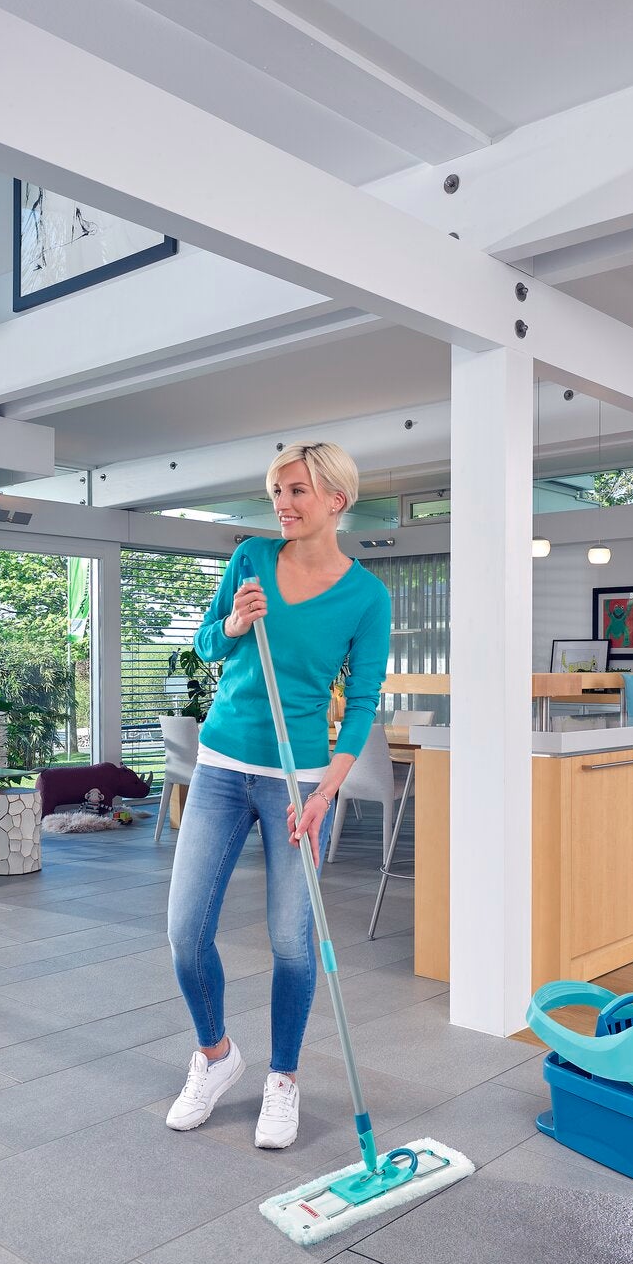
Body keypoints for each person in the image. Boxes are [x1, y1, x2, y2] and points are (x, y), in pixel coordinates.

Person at [162, 442, 391, 1149]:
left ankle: (282, 1079)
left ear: (335, 500)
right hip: (223, 766)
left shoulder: (367, 597)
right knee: (185, 933)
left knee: (294, 943)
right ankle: (214, 1055)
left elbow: (361, 703)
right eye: (276, 493)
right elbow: (203, 645)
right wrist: (232, 625)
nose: (282, 505)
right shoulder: (252, 561)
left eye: (296, 491)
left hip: (301, 784)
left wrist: (328, 788)